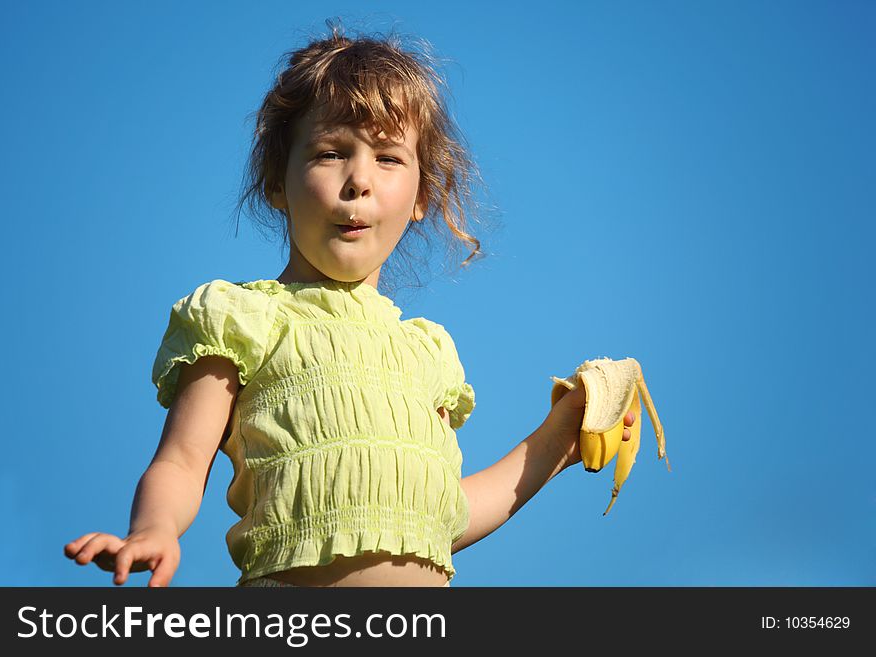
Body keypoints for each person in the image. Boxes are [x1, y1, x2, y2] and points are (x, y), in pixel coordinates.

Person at [64, 22, 635, 588]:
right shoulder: (241, 320)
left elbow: (442, 519)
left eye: (388, 158)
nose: (359, 179)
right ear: (276, 183)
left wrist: (560, 437)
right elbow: (182, 462)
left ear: (422, 196)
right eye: (331, 152)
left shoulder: (426, 354)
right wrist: (154, 530)